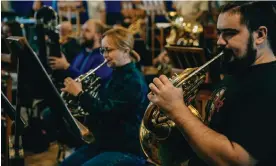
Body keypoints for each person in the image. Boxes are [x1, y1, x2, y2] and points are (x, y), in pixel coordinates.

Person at [147, 1, 276, 166]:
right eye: (219, 33)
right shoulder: (239, 70)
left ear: (260, 35)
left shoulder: (268, 84)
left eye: (229, 33)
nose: (220, 41)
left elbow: (237, 160)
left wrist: (177, 109)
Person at [60, 27, 149, 166]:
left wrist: (80, 94)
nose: (105, 55)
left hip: (125, 149)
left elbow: (108, 111)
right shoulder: (115, 73)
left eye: (109, 50)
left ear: (126, 50)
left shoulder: (134, 81)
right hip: (104, 144)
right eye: (103, 50)